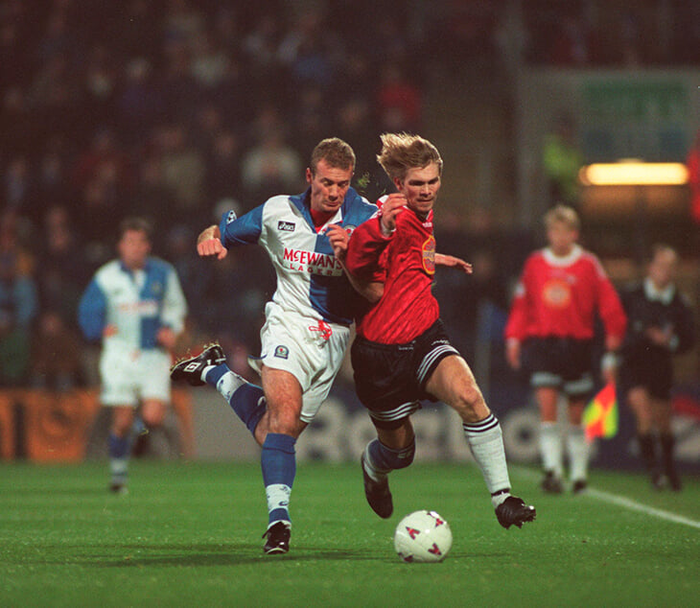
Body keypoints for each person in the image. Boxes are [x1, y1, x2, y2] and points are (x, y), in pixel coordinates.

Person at [170, 138, 379, 554]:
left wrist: (355, 256)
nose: (333, 192)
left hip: (334, 339)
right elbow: (219, 231)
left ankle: (215, 371)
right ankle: (279, 522)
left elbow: (382, 283)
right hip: (287, 324)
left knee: (271, 433)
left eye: (341, 184)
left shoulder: (366, 219)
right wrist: (210, 237)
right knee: (282, 418)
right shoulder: (276, 211)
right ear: (310, 176)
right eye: (326, 182)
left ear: (351, 180)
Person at [337, 133, 536, 530]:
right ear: (399, 183)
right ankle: (373, 466)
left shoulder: (421, 213)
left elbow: (407, 253)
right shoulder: (387, 215)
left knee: (470, 397)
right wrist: (383, 228)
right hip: (380, 354)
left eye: (432, 181)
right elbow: (357, 259)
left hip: (425, 335)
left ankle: (503, 499)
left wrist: (435, 258)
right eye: (417, 183)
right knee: (401, 453)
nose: (427, 190)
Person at [505, 204, 627, 494]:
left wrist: (614, 333)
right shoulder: (535, 263)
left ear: (574, 234)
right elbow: (523, 304)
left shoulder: (588, 264)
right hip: (544, 345)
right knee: (547, 408)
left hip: (577, 346)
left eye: (565, 231)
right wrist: (514, 338)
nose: (559, 237)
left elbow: (609, 302)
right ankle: (552, 471)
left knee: (575, 415)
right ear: (548, 234)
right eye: (554, 231)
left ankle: (579, 474)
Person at [78, 217, 187, 493]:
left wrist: (171, 328)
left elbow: (175, 307)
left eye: (140, 242)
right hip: (120, 354)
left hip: (153, 355)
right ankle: (118, 475)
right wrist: (98, 329)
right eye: (130, 242)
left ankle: (137, 440)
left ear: (147, 246)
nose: (135, 248)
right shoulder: (106, 277)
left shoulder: (164, 273)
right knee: (122, 420)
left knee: (153, 418)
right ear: (120, 246)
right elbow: (87, 310)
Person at [619, 244, 695, 490]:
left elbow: (689, 339)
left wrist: (670, 341)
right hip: (633, 363)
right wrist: (638, 338)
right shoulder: (632, 295)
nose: (666, 271)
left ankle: (669, 466)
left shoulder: (680, 302)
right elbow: (615, 327)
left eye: (671, 266)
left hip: (660, 365)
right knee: (643, 413)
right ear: (651, 267)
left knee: (663, 420)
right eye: (661, 265)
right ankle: (654, 471)